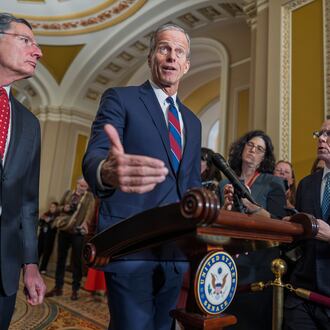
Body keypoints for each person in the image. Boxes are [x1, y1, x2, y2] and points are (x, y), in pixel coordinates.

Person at [82, 23, 201, 330]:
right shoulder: (121, 99)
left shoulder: (193, 121)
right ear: (150, 57)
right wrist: (106, 171)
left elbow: (189, 184)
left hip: (175, 251)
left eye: (179, 52)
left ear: (186, 65)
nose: (171, 57)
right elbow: (95, 155)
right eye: (164, 48)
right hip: (130, 243)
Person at [0, 12, 46, 329]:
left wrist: (30, 263)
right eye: (26, 40)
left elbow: (28, 203)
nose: (38, 52)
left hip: (3, 266)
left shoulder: (30, 124)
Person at [219, 130, 287, 330]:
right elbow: (219, 223)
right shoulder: (224, 183)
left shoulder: (272, 182)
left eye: (259, 149)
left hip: (260, 261)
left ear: (263, 157)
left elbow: (278, 221)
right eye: (250, 145)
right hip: (230, 258)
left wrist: (252, 206)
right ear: (242, 148)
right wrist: (226, 209)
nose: (253, 150)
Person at [283, 120, 330, 330]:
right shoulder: (306, 184)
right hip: (302, 295)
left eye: (328, 134)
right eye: (319, 133)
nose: (321, 138)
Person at [45, 177, 95, 300]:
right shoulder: (68, 193)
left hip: (77, 233)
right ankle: (58, 287)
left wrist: (85, 223)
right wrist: (64, 208)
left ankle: (75, 290)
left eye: (84, 186)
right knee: (61, 259)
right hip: (64, 230)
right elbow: (58, 208)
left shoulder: (89, 198)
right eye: (80, 185)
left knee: (76, 261)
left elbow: (90, 213)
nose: (81, 188)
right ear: (77, 184)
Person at [38, 201, 59, 274]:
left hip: (50, 237)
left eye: (53, 207)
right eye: (51, 206)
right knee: (38, 251)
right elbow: (39, 223)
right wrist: (42, 219)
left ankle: (43, 268)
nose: (51, 208)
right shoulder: (46, 214)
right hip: (42, 235)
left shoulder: (57, 216)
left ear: (56, 208)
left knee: (46, 253)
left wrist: (49, 220)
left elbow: (55, 226)